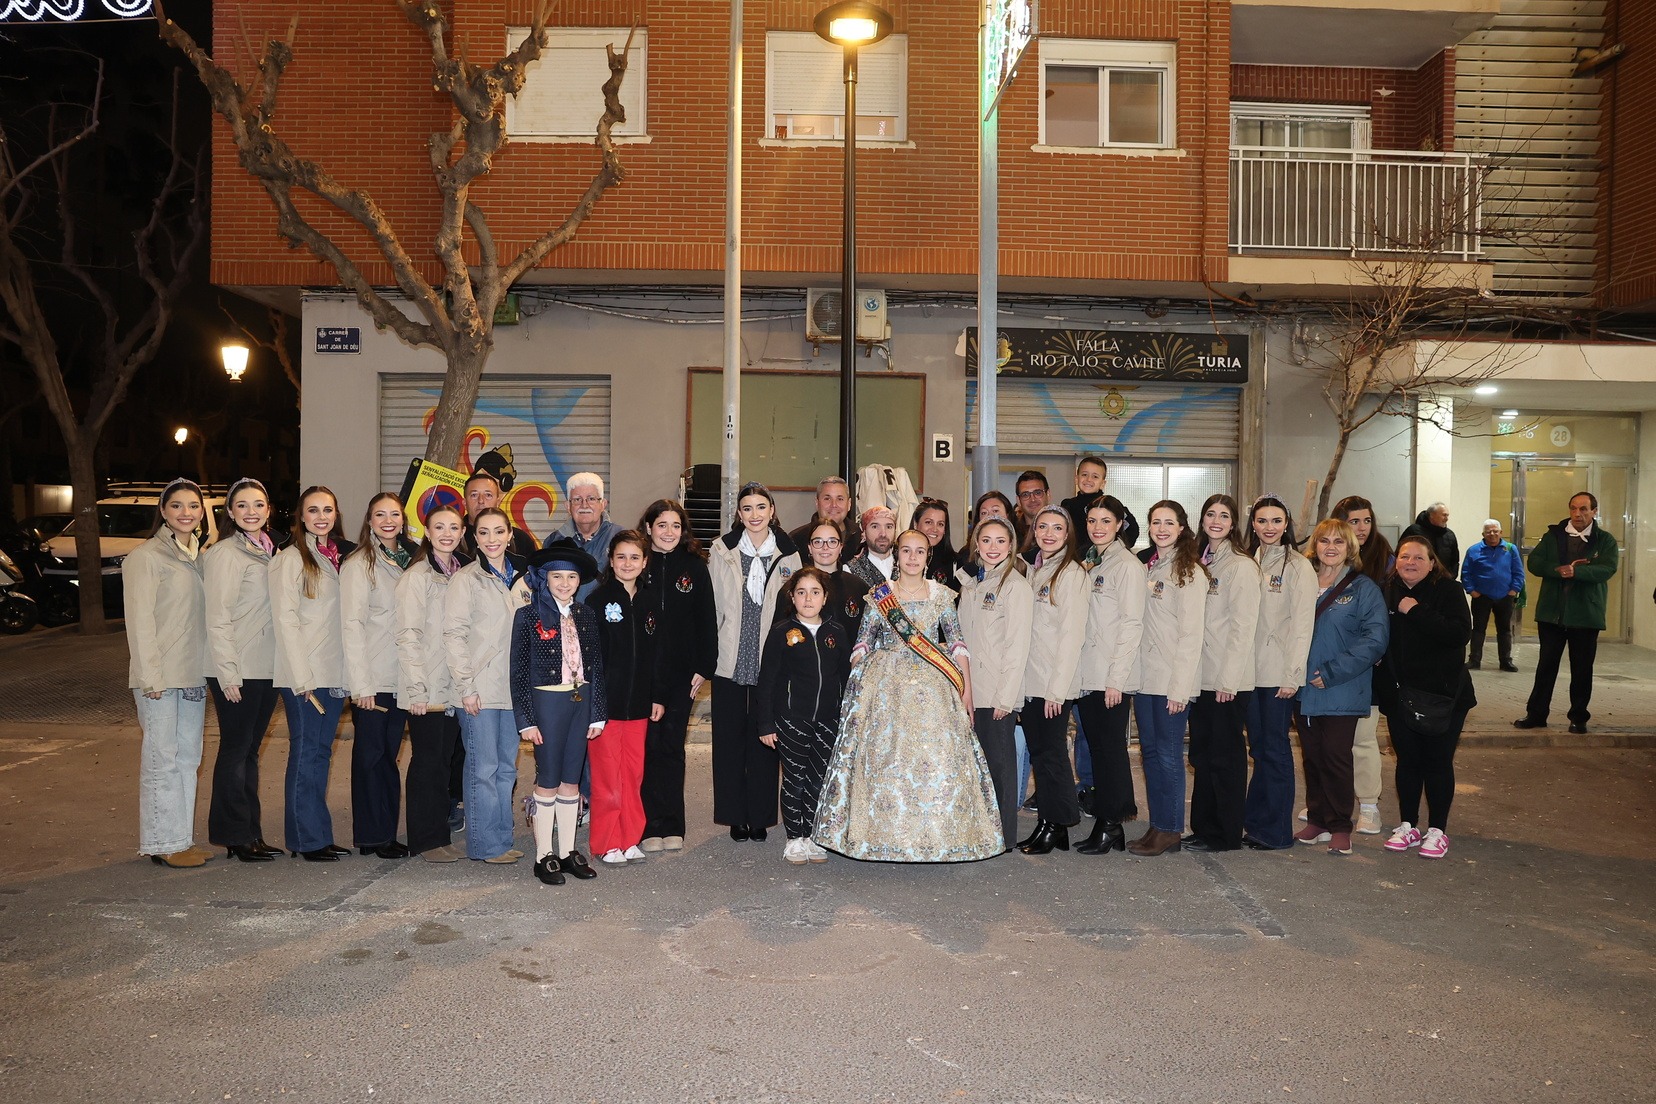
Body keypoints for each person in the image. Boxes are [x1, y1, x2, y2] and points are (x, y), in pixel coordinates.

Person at [815, 530, 1002, 862]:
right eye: (906, 551)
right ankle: (884, 837)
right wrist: (859, 682)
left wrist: (967, 693)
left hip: (935, 687)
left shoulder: (942, 595)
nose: (912, 557)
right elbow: (863, 641)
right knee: (886, 761)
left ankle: (943, 836)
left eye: (919, 551)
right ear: (897, 555)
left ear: (928, 557)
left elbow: (958, 645)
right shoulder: (880, 595)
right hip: (887, 689)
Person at [127, 478, 213, 868]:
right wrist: (150, 677)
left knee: (188, 758)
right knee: (161, 759)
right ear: (163, 511)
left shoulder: (199, 556)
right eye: (176, 505)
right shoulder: (146, 557)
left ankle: (180, 839)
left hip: (193, 674)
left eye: (193, 506)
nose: (186, 513)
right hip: (160, 678)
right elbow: (139, 622)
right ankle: (162, 842)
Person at [709, 482, 801, 842]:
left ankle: (760, 816)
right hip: (730, 656)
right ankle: (734, 816)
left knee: (766, 739)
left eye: (761, 507)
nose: (755, 514)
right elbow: (713, 605)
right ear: (739, 513)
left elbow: (795, 610)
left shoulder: (789, 554)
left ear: (772, 510)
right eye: (747, 508)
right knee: (729, 741)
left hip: (770, 660)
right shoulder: (722, 550)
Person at [512, 541, 606, 886]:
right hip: (547, 704)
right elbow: (518, 673)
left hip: (580, 701)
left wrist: (597, 712)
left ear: (579, 581)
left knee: (571, 779)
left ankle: (567, 851)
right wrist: (526, 720)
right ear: (545, 578)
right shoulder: (528, 616)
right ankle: (543, 855)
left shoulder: (586, 615)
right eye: (557, 576)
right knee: (548, 778)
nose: (564, 583)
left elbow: (595, 666)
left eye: (571, 577)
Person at [1378, 535, 1475, 860]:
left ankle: (1437, 830)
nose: (1410, 563)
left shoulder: (1449, 590)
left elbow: (1459, 634)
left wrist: (1416, 610)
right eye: (1405, 556)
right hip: (1400, 695)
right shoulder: (1386, 591)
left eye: (1419, 557)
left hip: (1443, 697)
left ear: (1432, 563)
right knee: (1407, 761)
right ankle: (1408, 825)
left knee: (1437, 762)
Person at [203, 477, 284, 863]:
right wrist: (228, 672)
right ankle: (235, 835)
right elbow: (217, 617)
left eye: (258, 504)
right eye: (242, 505)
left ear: (268, 510)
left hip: (266, 666)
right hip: (238, 668)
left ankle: (250, 832)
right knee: (236, 750)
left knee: (250, 751)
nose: (251, 511)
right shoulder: (224, 554)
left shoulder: (272, 550)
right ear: (231, 513)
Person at [1296, 518, 1389, 856]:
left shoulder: (1363, 589)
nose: (1331, 547)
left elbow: (1375, 639)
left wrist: (1333, 672)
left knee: (1336, 757)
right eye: (1324, 541)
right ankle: (1318, 820)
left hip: (1341, 687)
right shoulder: (1303, 582)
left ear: (1350, 547)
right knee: (1312, 757)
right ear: (1315, 546)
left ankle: (1339, 826)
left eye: (1339, 541)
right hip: (1302, 688)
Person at [271, 486, 354, 862]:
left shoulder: (337, 555)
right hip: (305, 675)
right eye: (314, 510)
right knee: (306, 753)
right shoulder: (290, 559)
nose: (322, 517)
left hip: (332, 672)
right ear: (301, 516)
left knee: (322, 753)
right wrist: (301, 677)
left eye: (328, 510)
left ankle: (319, 833)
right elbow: (285, 620)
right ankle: (305, 839)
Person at [444, 506, 529, 864]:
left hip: (513, 689)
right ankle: (485, 845)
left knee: (507, 768)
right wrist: (466, 686)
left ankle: (502, 839)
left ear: (510, 535)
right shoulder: (465, 580)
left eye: (498, 532)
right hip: (478, 689)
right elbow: (453, 635)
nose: (492, 539)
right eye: (483, 532)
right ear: (474, 538)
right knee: (483, 767)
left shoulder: (524, 579)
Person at [635, 499, 716, 853]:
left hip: (682, 675)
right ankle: (648, 825)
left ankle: (672, 824)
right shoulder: (637, 563)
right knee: (647, 748)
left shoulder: (695, 566)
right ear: (648, 527)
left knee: (671, 747)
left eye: (676, 526)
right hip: (642, 673)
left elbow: (706, 619)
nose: (669, 532)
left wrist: (704, 667)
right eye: (662, 525)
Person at [340, 493, 418, 859]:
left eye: (394, 515)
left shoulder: (409, 560)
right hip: (373, 678)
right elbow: (351, 626)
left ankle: (384, 831)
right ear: (369, 521)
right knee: (371, 757)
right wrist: (361, 685)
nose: (388, 521)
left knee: (388, 757)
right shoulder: (360, 564)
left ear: (403, 520)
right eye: (380, 515)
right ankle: (372, 836)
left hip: (401, 676)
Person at [755, 568, 852, 864]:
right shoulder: (781, 632)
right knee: (794, 778)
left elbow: (846, 677)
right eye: (801, 592)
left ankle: (812, 836)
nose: (808, 598)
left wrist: (845, 717)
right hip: (791, 719)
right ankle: (794, 838)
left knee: (818, 780)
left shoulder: (836, 633)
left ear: (825, 598)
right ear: (792, 597)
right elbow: (767, 680)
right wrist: (766, 723)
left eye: (815, 592)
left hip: (828, 720)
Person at [1128, 501, 1207, 857]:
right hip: (1146, 679)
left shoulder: (1189, 571)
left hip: (1171, 682)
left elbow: (1191, 635)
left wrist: (1180, 689)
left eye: (1169, 523)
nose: (1161, 529)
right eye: (1156, 522)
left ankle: (1171, 829)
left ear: (1182, 528)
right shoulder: (1151, 565)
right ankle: (1158, 824)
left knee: (1169, 755)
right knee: (1150, 754)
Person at [1184, 494, 1261, 853]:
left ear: (1233, 524)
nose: (1216, 521)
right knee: (1202, 755)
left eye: (1224, 516)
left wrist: (1229, 680)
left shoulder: (1241, 566)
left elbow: (1243, 628)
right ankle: (1203, 827)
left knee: (1225, 758)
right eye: (1210, 514)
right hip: (1200, 676)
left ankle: (1225, 834)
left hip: (1226, 680)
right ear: (1202, 521)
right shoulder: (1199, 561)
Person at [395, 504, 470, 862]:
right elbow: (407, 636)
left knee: (444, 762)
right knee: (427, 762)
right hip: (426, 687)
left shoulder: (462, 574)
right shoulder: (417, 577)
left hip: (452, 685)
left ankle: (439, 835)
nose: (446, 534)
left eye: (453, 527)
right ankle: (425, 840)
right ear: (426, 532)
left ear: (462, 532)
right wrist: (416, 689)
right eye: (439, 527)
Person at [1242, 494, 1316, 851]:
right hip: (1248, 672)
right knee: (1258, 748)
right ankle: (1256, 823)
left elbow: (1303, 626)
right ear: (1253, 525)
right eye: (1262, 521)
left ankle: (1277, 831)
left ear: (1286, 524)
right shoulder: (1248, 561)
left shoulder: (1299, 567)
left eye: (1276, 520)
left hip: (1278, 675)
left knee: (1274, 748)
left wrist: (1292, 675)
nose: (1269, 527)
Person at [1073, 496, 1146, 854]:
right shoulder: (1089, 560)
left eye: (1106, 521)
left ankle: (1111, 822)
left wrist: (1116, 679)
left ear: (1120, 524)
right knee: (1099, 750)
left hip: (1109, 677)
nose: (1098, 527)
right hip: (1088, 673)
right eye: (1092, 521)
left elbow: (1132, 624)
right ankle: (1108, 820)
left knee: (1110, 751)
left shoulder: (1127, 565)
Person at [955, 516, 1033, 851]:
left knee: (999, 767)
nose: (992, 547)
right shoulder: (971, 583)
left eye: (1001, 541)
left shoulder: (1016, 586)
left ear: (1011, 545)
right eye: (986, 540)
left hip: (997, 694)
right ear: (976, 544)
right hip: (970, 689)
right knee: (977, 766)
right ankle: (981, 832)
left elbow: (1018, 647)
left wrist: (1006, 697)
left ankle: (1003, 837)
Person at [1514, 491, 1620, 735]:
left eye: (1583, 509)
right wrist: (1556, 569)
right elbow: (1534, 562)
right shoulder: (1553, 536)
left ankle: (1578, 718)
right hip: (1552, 615)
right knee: (1546, 666)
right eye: (1573, 508)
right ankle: (1536, 714)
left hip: (1585, 616)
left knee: (1582, 670)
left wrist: (1577, 572)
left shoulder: (1604, 540)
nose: (1577, 513)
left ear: (1594, 511)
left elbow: (1608, 568)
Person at [1017, 506, 1089, 855]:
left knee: (1051, 754)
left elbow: (1072, 637)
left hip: (1052, 685)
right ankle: (1050, 824)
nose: (1049, 533)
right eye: (1042, 527)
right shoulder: (1033, 570)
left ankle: (1056, 824)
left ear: (1067, 534)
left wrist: (1057, 692)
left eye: (1057, 528)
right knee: (1041, 754)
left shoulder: (1072, 573)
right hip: (1031, 681)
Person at [585, 531, 657, 866]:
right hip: (607, 708)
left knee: (633, 775)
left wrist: (657, 696)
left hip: (639, 706)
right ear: (610, 560)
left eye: (634, 558)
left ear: (644, 562)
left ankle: (630, 838)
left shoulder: (650, 602)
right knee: (607, 778)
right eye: (621, 557)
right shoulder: (597, 601)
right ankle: (607, 841)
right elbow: (590, 658)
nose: (627, 564)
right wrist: (593, 703)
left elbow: (658, 655)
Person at [1328, 494, 1393, 835]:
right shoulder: (1327, 557)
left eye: (1367, 520)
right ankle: (1328, 803)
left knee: (1363, 738)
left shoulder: (1385, 559)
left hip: (1369, 664)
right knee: (1329, 742)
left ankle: (1369, 805)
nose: (1362, 527)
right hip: (1330, 664)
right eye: (1354, 521)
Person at [779, 518, 869, 630]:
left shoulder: (858, 587)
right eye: (818, 542)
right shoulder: (792, 588)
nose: (825, 547)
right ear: (809, 548)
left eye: (832, 541)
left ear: (840, 547)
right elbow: (778, 634)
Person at [545, 471, 622, 600]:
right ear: (568, 506)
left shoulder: (620, 538)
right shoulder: (554, 541)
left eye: (591, 499)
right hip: (565, 612)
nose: (584, 505)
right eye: (577, 500)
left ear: (603, 504)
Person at [1461, 519, 1524, 672]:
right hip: (1481, 597)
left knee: (1504, 630)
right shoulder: (1473, 550)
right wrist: (1472, 591)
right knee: (1478, 630)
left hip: (1505, 597)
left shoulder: (1511, 549)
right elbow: (1466, 573)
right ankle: (1474, 660)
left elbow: (1518, 572)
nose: (1492, 534)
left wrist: (1514, 590)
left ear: (1501, 532)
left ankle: (1505, 661)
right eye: (1488, 531)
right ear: (1483, 534)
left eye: (1495, 531)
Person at [1060, 455, 1139, 550]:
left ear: (1102, 483)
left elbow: (1132, 531)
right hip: (1072, 556)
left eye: (1095, 476)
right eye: (1084, 475)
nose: (1089, 479)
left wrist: (1111, 552)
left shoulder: (1111, 505)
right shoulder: (1067, 505)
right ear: (1076, 479)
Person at [461, 470, 537, 559]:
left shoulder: (521, 540)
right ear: (465, 503)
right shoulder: (454, 538)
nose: (481, 500)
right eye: (474, 495)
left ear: (497, 502)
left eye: (488, 495)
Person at [787, 476, 861, 563]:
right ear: (817, 503)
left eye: (840, 499)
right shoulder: (796, 539)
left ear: (849, 504)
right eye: (827, 499)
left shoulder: (860, 537)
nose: (834, 505)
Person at [910, 497, 961, 592]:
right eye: (928, 522)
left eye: (940, 524)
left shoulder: (956, 563)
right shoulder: (900, 558)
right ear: (916, 524)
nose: (934, 529)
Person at [1401, 502, 1460, 581]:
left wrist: (1451, 577)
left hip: (1443, 581)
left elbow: (1454, 560)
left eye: (1447, 515)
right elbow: (1401, 554)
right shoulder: (1413, 531)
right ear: (1432, 515)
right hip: (1417, 581)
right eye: (1444, 515)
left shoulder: (1449, 535)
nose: (1446, 519)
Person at [844, 505, 897, 589]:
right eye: (875, 527)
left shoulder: (906, 564)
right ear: (864, 533)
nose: (883, 534)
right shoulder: (850, 570)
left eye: (889, 527)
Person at [1012, 470, 1049, 544]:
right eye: (1025, 495)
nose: (1032, 499)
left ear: (1048, 495)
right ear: (1018, 500)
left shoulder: (1061, 531)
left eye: (1038, 493)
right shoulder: (1011, 536)